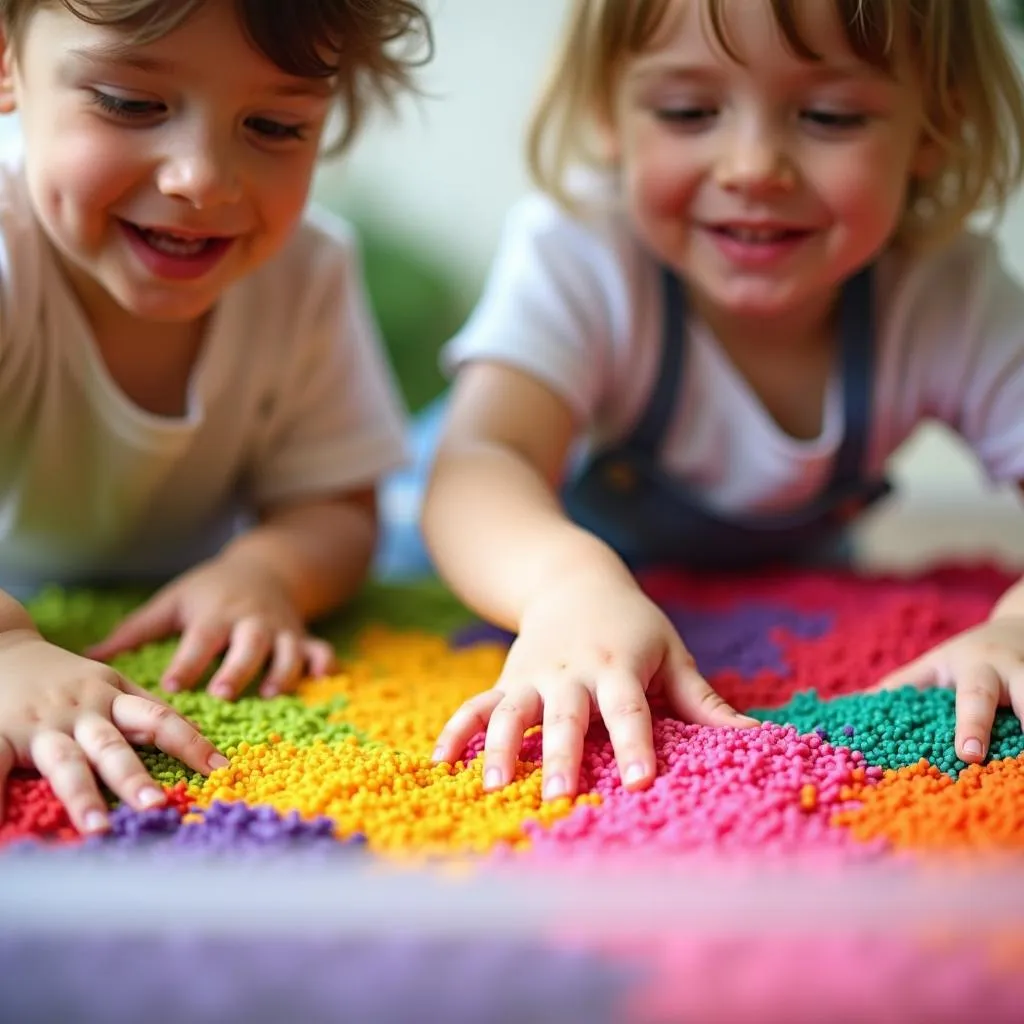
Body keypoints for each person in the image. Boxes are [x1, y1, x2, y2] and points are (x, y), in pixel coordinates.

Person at [423, 0, 1024, 803]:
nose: (752, 166)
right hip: (514, 561)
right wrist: (566, 589)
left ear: (938, 123)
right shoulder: (582, 256)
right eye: (687, 111)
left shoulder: (944, 291)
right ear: (610, 109)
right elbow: (480, 464)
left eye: (829, 115)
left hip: (772, 588)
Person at [0, 0, 429, 836]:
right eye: (131, 104)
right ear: (8, 64)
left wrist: (269, 571)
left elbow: (336, 508)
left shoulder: (307, 274)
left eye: (272, 124)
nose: (201, 177)